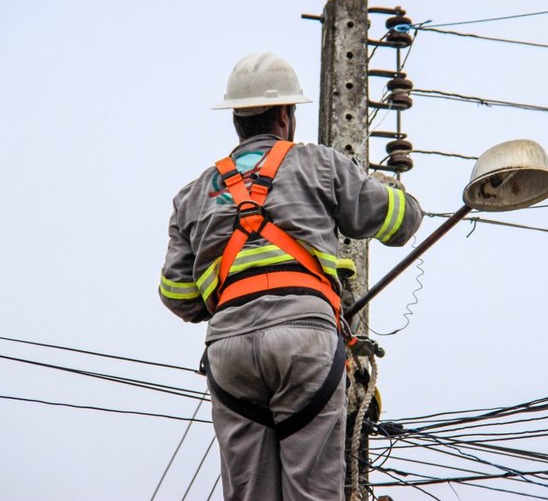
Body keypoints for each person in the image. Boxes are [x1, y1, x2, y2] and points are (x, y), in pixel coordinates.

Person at [159, 52, 422, 501]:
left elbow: (179, 295)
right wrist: (389, 188)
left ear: (237, 119)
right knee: (314, 492)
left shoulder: (193, 195)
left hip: (230, 351)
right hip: (305, 340)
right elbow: (402, 223)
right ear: (286, 115)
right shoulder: (318, 162)